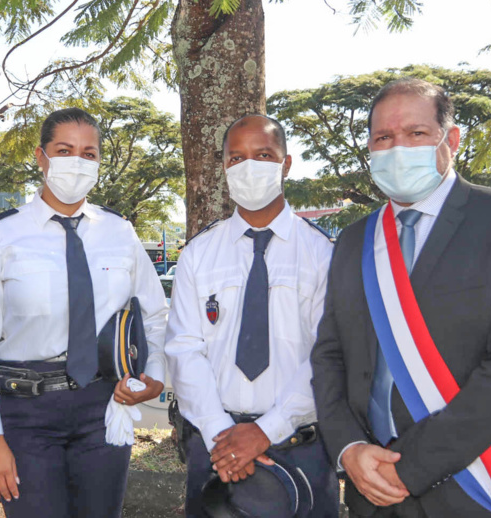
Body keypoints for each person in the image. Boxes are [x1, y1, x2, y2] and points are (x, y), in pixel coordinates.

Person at [311, 78, 491, 518]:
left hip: (478, 485)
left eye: (416, 133)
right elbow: (329, 356)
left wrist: (409, 467)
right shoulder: (354, 241)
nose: (397, 148)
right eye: (383, 138)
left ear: (452, 140)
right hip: (372, 489)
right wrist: (349, 448)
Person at [0, 108, 169, 517]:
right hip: (26, 413)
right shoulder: (2, 234)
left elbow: (155, 315)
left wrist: (155, 377)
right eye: (65, 149)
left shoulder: (119, 231)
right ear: (41, 158)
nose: (77, 161)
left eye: (88, 153)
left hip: (104, 405)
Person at [165, 114, 339, 517]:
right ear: (224, 166)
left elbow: (327, 356)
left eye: (263, 155)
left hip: (300, 445)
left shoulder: (322, 255)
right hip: (216, 448)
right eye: (236, 158)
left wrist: (265, 431)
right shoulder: (198, 253)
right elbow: (184, 350)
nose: (249, 167)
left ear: (286, 164)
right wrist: (221, 434)